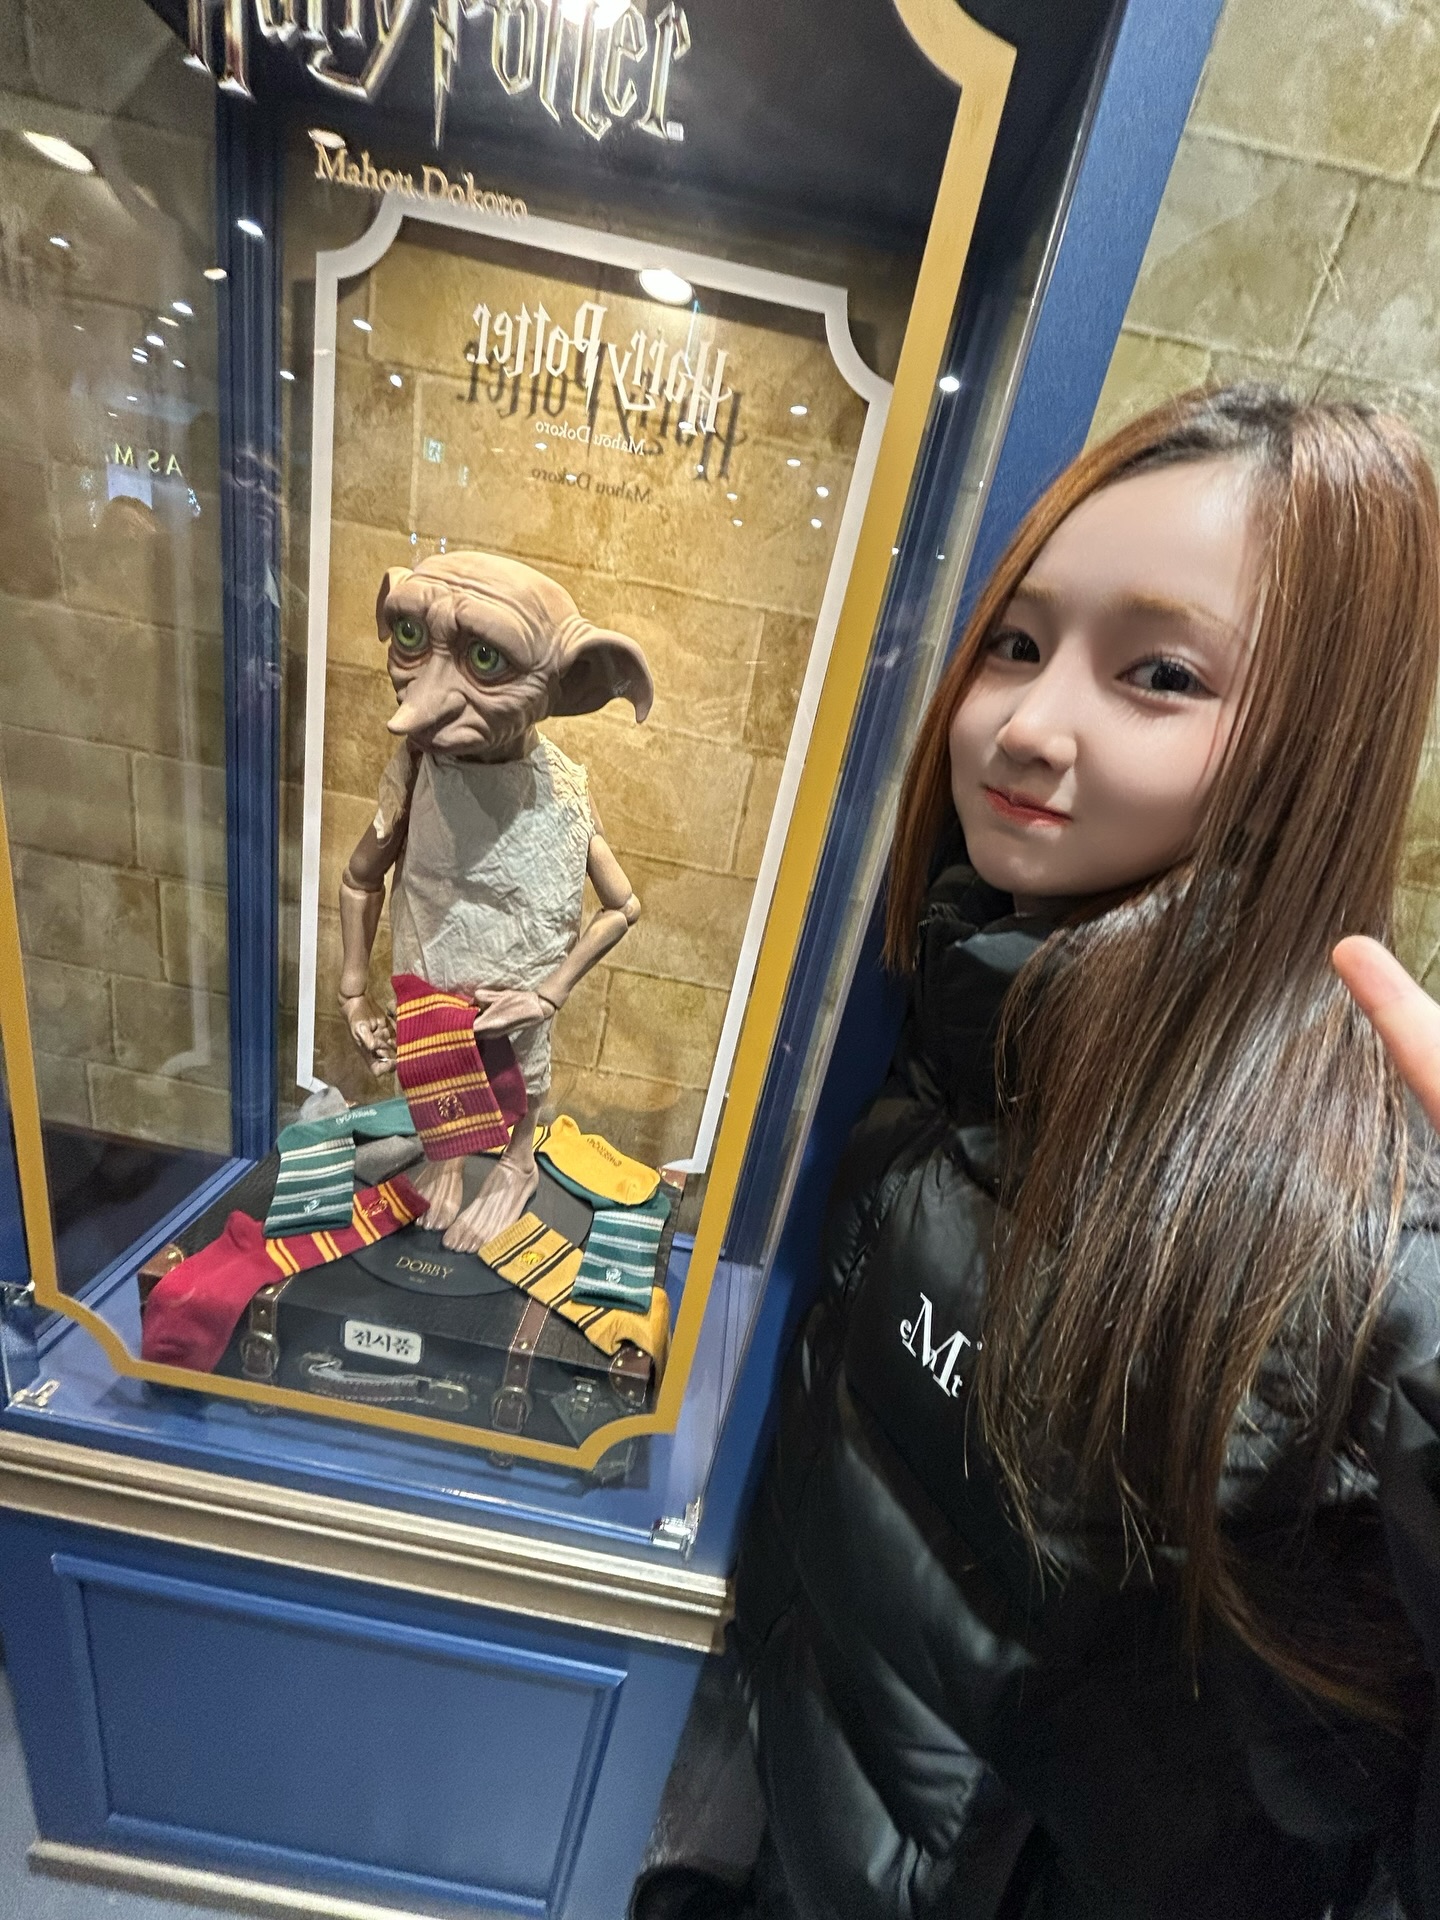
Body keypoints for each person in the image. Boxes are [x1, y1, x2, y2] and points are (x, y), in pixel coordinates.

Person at [633, 386, 1440, 1920]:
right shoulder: (957, 1024)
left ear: (1310, 748)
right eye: (1015, 642)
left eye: (1160, 674)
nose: (1025, 725)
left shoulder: (1347, 1246)